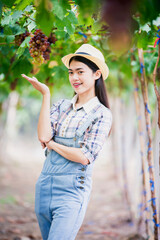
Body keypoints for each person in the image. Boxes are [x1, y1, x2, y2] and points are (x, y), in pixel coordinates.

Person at [21, 43, 113, 240]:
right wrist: (46, 95)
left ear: (96, 74)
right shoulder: (61, 106)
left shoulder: (102, 114)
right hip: (45, 185)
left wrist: (52, 145)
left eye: (80, 72)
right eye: (71, 72)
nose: (74, 78)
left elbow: (84, 157)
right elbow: (43, 136)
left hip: (72, 191)